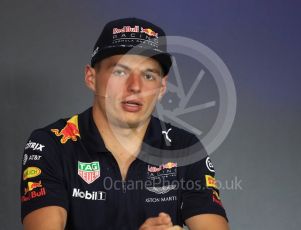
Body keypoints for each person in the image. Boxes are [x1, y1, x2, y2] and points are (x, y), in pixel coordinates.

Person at [20, 18, 229, 230]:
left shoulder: (184, 147)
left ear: (162, 87)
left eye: (148, 75)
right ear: (91, 78)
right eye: (120, 72)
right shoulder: (51, 144)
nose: (135, 86)